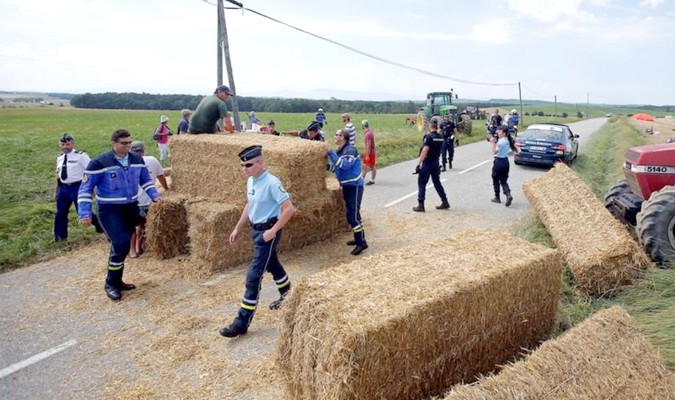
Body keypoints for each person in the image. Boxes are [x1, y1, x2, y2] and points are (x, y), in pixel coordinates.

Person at [220, 145, 295, 338]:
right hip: (256, 230)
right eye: (242, 165)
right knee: (272, 264)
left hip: (267, 233)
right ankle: (288, 295)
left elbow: (289, 209)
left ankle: (241, 323)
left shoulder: (271, 182)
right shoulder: (251, 181)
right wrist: (238, 227)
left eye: (248, 165)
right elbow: (249, 204)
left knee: (254, 276)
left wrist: (273, 230)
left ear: (260, 163)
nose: (244, 169)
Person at [78, 129, 162, 301]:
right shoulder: (99, 163)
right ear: (114, 143)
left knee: (122, 246)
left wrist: (155, 196)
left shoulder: (137, 160)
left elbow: (145, 181)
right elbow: (85, 189)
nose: (128, 146)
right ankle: (111, 284)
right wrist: (85, 213)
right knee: (121, 242)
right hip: (109, 209)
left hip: (130, 207)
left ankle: (118, 281)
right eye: (124, 143)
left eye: (129, 142)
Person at [54, 133, 102, 241]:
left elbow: (91, 171)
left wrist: (92, 188)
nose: (65, 147)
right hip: (64, 188)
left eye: (67, 144)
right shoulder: (60, 158)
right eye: (62, 144)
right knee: (60, 213)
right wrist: (56, 191)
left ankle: (101, 227)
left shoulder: (81, 156)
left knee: (82, 211)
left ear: (73, 143)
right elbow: (58, 175)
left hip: (78, 187)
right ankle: (60, 237)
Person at [327, 128, 368, 256]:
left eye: (338, 134)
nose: (335, 136)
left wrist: (330, 152)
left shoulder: (350, 150)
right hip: (347, 186)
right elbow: (338, 168)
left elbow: (344, 165)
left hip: (354, 186)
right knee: (354, 214)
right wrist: (326, 167)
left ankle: (360, 244)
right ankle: (360, 239)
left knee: (352, 216)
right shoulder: (341, 150)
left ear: (343, 137)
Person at [129, 141, 170, 258]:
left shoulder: (127, 163)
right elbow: (161, 177)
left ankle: (133, 250)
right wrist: (167, 189)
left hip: (133, 201)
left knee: (132, 225)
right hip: (149, 200)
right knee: (143, 224)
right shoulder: (152, 160)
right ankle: (139, 246)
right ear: (143, 150)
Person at [413, 119, 450, 212]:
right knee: (437, 183)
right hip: (436, 162)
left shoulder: (428, 137)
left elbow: (425, 150)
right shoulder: (440, 137)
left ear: (430, 127)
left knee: (422, 182)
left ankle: (421, 204)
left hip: (428, 162)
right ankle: (445, 201)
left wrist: (419, 164)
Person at [489, 125, 517, 207]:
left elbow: (494, 151)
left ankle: (497, 197)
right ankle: (508, 194)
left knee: (495, 179)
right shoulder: (506, 140)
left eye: (499, 131)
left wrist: (492, 142)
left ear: (504, 133)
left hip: (499, 162)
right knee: (504, 180)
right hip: (505, 161)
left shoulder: (501, 142)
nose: (497, 132)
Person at [361, 120, 377, 185]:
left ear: (363, 125)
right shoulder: (369, 132)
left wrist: (367, 155)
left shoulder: (368, 134)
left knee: (365, 166)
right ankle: (371, 180)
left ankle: (362, 181)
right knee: (371, 166)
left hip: (369, 153)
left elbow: (368, 145)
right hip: (371, 152)